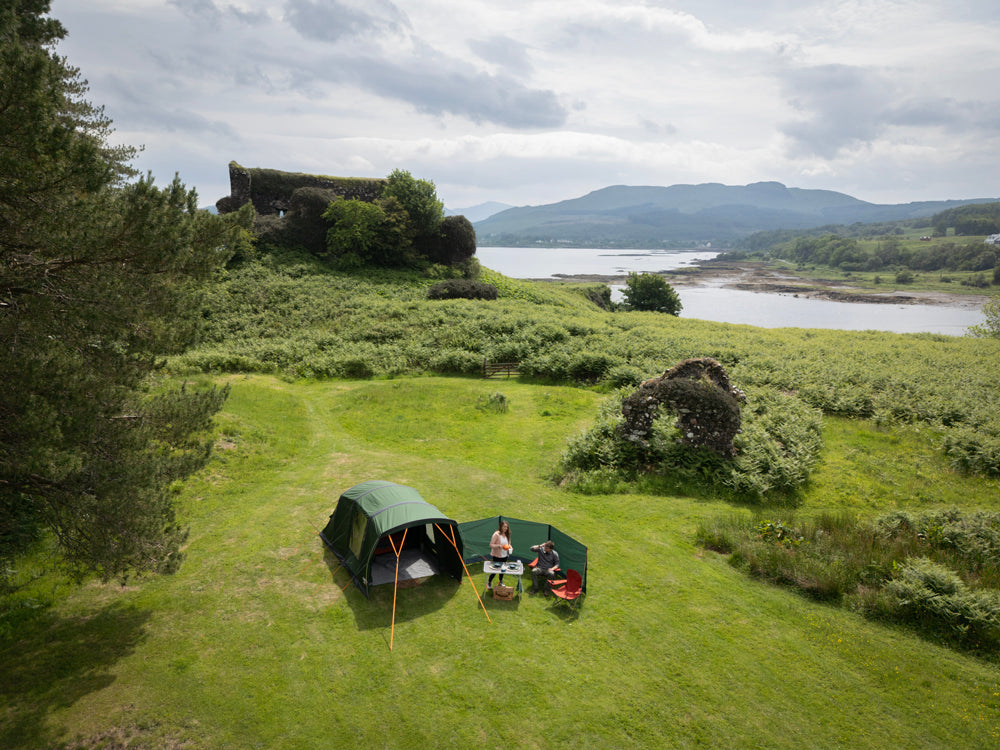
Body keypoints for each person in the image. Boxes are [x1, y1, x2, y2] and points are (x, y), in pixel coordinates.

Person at [487, 520, 512, 589]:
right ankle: (489, 583)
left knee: (503, 569)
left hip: (505, 555)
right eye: (504, 527)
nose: (505, 528)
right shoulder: (496, 534)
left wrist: (510, 548)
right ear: (500, 527)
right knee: (495, 570)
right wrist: (499, 546)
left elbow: (509, 544)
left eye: (506, 527)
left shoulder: (508, 534)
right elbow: (491, 545)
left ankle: (500, 581)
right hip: (497, 555)